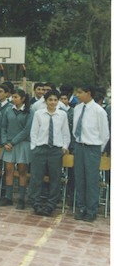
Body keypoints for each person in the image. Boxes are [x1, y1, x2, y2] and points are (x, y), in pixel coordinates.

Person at [29, 90, 70, 216]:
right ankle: (36, 204)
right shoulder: (38, 113)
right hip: (40, 149)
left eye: (55, 100)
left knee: (55, 178)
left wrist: (64, 146)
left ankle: (50, 205)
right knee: (36, 177)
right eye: (50, 100)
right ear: (45, 101)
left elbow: (65, 132)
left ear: (58, 101)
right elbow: (34, 131)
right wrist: (34, 147)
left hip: (55, 151)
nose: (53, 102)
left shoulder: (62, 115)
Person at [72, 85, 109, 222]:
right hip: (79, 146)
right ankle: (81, 207)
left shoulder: (99, 111)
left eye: (80, 92)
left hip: (92, 148)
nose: (77, 94)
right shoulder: (77, 108)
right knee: (80, 178)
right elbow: (76, 128)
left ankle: (91, 209)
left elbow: (105, 134)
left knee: (91, 180)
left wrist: (98, 150)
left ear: (88, 93)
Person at [0, 89, 33, 209]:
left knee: (22, 171)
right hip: (8, 145)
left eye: (16, 97)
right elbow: (3, 127)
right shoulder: (8, 110)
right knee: (8, 170)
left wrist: (13, 142)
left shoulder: (30, 112)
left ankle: (21, 199)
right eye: (12, 96)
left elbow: (26, 130)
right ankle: (8, 197)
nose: (13, 99)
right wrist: (5, 142)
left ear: (23, 99)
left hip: (22, 144)